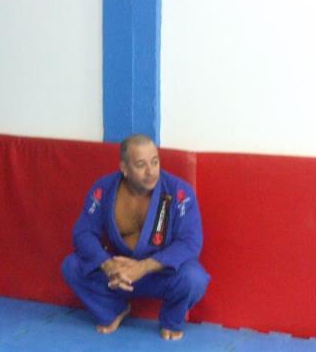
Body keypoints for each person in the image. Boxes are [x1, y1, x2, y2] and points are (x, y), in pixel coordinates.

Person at [61, 134, 210, 340]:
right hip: (118, 275)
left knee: (194, 278)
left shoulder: (178, 192)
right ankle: (114, 308)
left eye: (155, 162)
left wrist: (143, 267)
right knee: (72, 266)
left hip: (159, 274)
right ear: (124, 168)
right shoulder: (103, 190)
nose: (151, 171)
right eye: (141, 165)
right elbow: (83, 233)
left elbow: (190, 243)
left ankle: (171, 319)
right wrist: (108, 264)